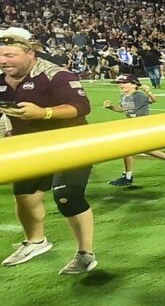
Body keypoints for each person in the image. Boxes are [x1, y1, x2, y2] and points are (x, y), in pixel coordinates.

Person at [0, 27, 97, 275]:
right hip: (31, 145)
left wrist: (44, 113)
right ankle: (36, 241)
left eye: (10, 55)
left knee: (67, 195)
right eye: (0, 55)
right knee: (24, 195)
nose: (3, 60)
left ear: (30, 53)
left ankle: (85, 254)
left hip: (70, 142)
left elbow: (81, 106)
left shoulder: (56, 75)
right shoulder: (2, 78)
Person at [103, 74, 165, 186]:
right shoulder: (124, 95)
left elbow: (153, 100)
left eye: (123, 83)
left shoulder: (139, 95)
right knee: (135, 149)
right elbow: (123, 109)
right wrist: (110, 107)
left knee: (129, 149)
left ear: (133, 84)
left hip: (142, 126)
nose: (120, 85)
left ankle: (128, 177)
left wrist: (148, 91)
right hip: (132, 126)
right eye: (119, 83)